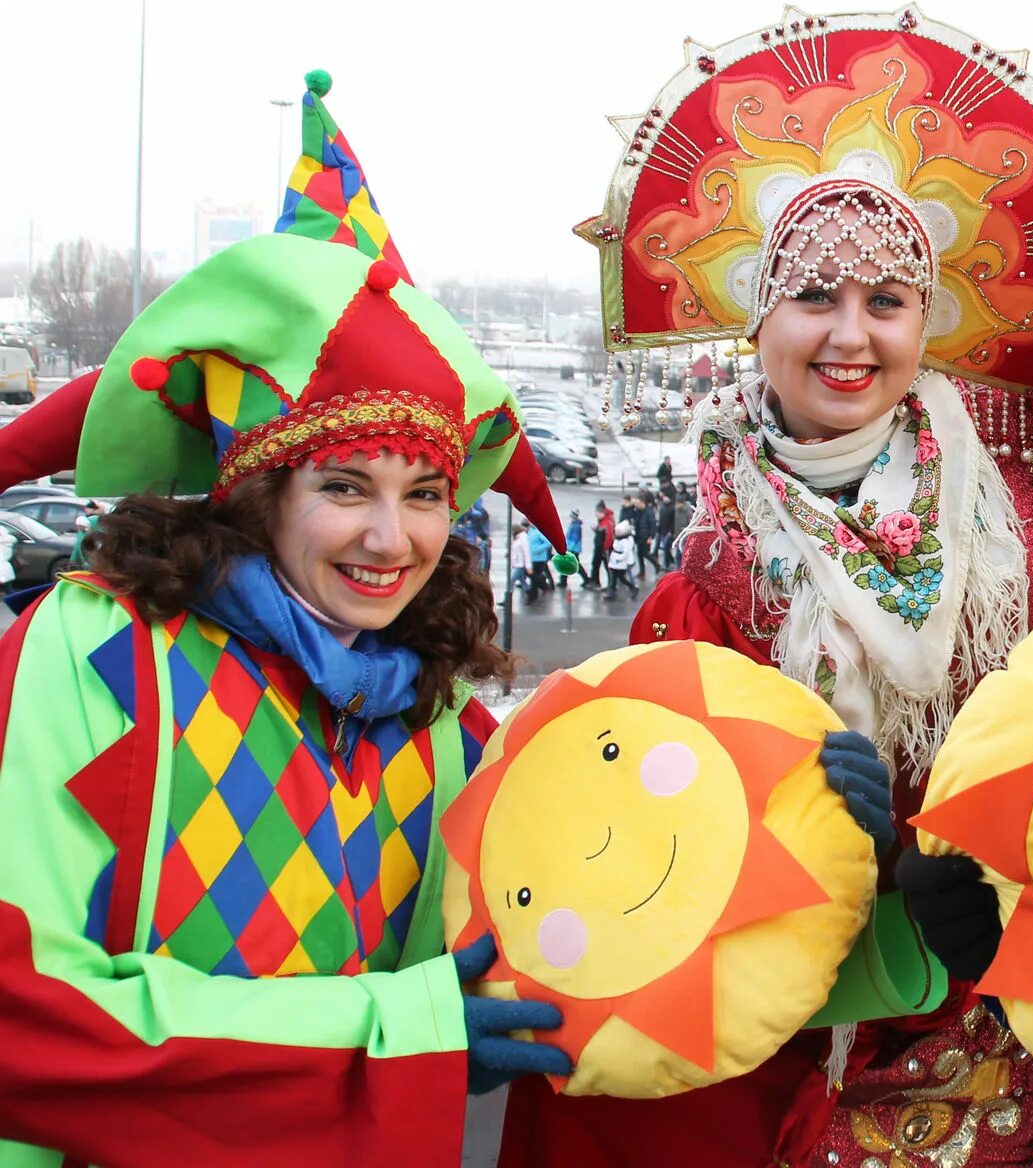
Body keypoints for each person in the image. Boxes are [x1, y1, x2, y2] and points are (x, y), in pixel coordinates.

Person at [501, 7, 1033, 1168]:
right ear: (758, 318)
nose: (851, 335)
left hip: (1032, 987)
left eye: (886, 302)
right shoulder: (707, 570)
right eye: (815, 297)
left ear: (926, 319)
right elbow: (659, 847)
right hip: (824, 1026)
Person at [0, 227, 591, 1165]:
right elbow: (25, 1013)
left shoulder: (437, 720)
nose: (393, 540)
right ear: (259, 493)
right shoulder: (98, 656)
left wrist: (807, 815)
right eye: (348, 487)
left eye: (428, 493)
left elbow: (610, 893)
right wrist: (393, 1035)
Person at [606, 520, 640, 599]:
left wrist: (619, 559)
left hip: (620, 562)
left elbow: (626, 553)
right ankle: (612, 592)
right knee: (614, 576)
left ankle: (632, 587)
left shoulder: (626, 540)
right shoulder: (619, 539)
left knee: (621, 577)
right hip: (614, 560)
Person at [586, 500, 612, 589]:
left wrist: (605, 548)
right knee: (596, 564)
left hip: (602, 548)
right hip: (599, 547)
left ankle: (610, 584)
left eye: (597, 512)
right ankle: (595, 582)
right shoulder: (603, 521)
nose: (595, 514)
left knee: (607, 567)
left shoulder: (607, 522)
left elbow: (609, 537)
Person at [526, 524, 554, 595]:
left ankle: (539, 589)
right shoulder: (530, 531)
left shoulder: (540, 532)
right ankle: (539, 588)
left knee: (535, 575)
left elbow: (548, 543)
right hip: (531, 558)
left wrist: (538, 549)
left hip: (539, 558)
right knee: (534, 575)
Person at [508, 521, 533, 600]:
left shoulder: (523, 539)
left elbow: (526, 553)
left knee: (511, 581)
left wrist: (528, 566)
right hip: (516, 564)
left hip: (520, 565)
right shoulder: (516, 538)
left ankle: (507, 600)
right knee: (523, 582)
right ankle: (530, 594)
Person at [561, 509, 584, 589]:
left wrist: (568, 549)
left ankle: (586, 579)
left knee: (573, 565)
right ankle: (563, 581)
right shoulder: (574, 524)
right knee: (569, 564)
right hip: (572, 548)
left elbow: (574, 539)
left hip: (573, 549)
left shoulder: (576, 526)